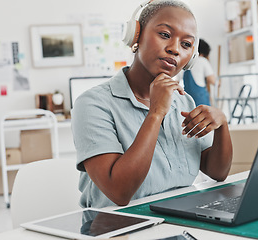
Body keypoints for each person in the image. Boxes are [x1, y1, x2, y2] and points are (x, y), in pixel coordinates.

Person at [72, 0, 232, 208]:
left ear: (191, 57)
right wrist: (156, 113)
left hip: (180, 216)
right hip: (116, 226)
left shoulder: (183, 101)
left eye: (186, 45)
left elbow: (217, 172)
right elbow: (119, 192)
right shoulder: (93, 104)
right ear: (136, 35)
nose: (175, 49)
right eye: (165, 35)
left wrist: (222, 126)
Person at [183, 38, 216, 106]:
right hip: (200, 99)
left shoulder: (186, 61)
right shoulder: (203, 60)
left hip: (187, 100)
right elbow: (213, 81)